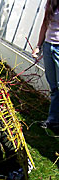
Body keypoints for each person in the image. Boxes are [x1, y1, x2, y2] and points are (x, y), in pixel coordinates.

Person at [32, 0, 59, 129]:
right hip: (49, 46)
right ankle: (52, 120)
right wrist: (38, 46)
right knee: (54, 86)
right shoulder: (51, 2)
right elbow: (44, 24)